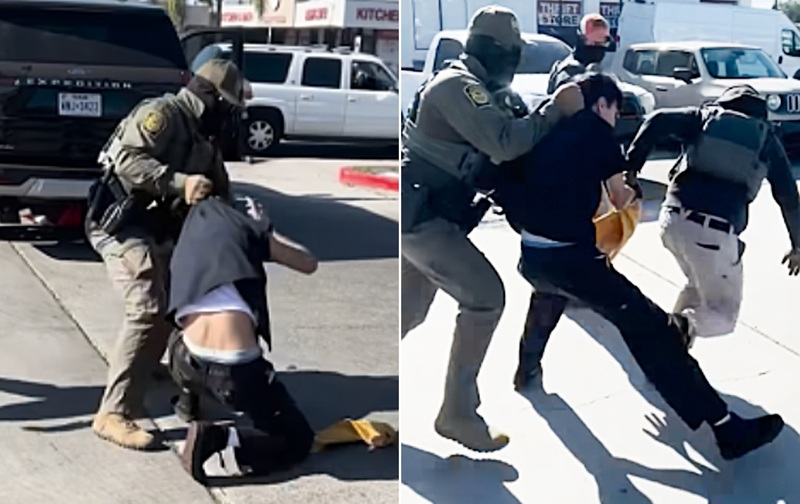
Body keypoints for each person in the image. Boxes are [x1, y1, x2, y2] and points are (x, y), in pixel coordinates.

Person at [500, 72, 784, 460]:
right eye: (615, 111)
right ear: (602, 104)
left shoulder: (542, 130)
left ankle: (527, 369)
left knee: (547, 295)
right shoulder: (596, 133)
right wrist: (629, 187)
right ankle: (725, 427)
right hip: (573, 260)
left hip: (533, 255)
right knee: (652, 329)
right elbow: (620, 199)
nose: (615, 119)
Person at [401, 5, 584, 452]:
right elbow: (504, 142)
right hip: (424, 219)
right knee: (485, 298)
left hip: (430, 217)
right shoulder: (458, 86)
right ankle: (458, 414)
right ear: (495, 51)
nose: (515, 63)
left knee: (409, 312)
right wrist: (555, 111)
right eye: (512, 54)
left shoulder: (480, 89)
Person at [85, 59, 247, 450]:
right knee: (146, 308)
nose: (228, 116)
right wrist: (179, 182)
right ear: (209, 97)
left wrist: (244, 223)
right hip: (120, 225)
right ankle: (113, 413)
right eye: (226, 106)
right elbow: (127, 160)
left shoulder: (204, 138)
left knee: (178, 303)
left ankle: (150, 366)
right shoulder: (162, 114)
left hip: (158, 230)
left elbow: (221, 190)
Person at [625, 84, 800, 347]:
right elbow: (789, 199)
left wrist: (631, 169)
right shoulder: (765, 140)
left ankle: (671, 350)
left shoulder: (702, 118)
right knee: (723, 316)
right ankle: (666, 330)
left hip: (671, 221)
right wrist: (797, 245)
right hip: (711, 234)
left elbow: (656, 119)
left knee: (698, 288)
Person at [165, 195, 319, 484]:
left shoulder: (186, 235)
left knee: (185, 327)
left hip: (182, 359)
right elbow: (309, 263)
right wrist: (265, 229)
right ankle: (218, 439)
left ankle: (189, 402)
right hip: (234, 373)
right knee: (298, 440)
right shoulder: (241, 229)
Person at [546, 13, 611, 95]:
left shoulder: (597, 69)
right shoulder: (568, 71)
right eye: (595, 44)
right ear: (581, 40)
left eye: (603, 44)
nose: (599, 49)